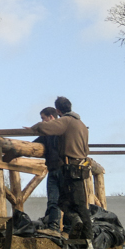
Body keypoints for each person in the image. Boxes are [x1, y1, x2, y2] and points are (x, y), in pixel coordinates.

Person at [29, 96, 92, 240]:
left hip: (70, 167)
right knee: (79, 203)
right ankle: (84, 235)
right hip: (81, 167)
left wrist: (35, 128)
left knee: (63, 202)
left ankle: (82, 232)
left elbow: (45, 127)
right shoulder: (81, 124)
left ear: (57, 110)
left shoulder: (66, 121)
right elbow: (86, 149)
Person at [34, 107, 62, 235]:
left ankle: (66, 228)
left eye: (43, 118)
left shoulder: (61, 129)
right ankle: (53, 227)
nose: (42, 122)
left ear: (51, 117)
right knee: (53, 200)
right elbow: (34, 144)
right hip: (52, 169)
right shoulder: (47, 135)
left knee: (66, 201)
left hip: (63, 169)